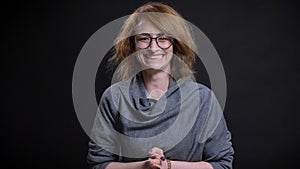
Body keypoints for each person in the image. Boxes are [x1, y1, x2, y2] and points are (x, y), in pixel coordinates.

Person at [87, 2, 234, 169]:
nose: (153, 47)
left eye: (163, 38)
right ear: (132, 45)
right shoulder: (115, 97)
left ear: (176, 44)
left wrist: (169, 166)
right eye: (144, 38)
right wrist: (144, 166)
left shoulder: (203, 99)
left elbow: (222, 164)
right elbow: (98, 164)